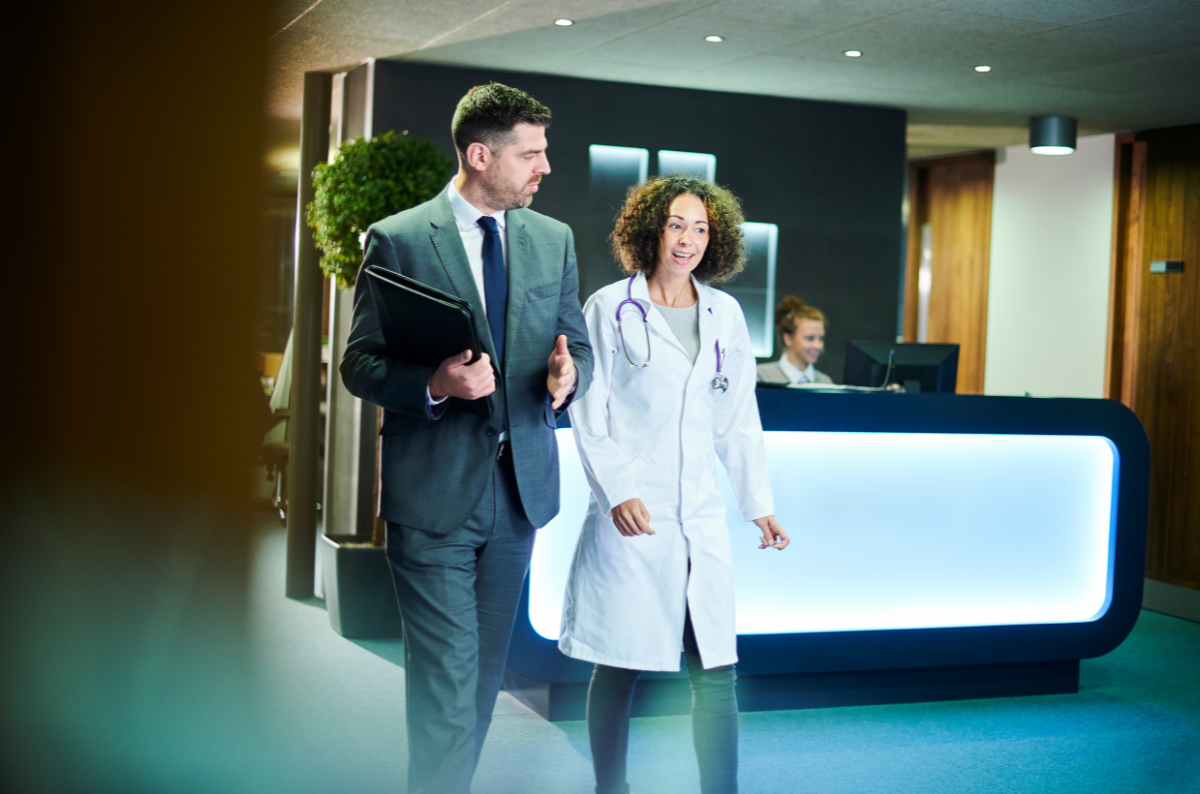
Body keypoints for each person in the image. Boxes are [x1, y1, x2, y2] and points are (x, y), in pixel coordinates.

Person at [339, 83, 594, 794]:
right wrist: (435, 385)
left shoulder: (553, 239)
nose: (546, 168)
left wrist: (570, 376)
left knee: (478, 684)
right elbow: (359, 363)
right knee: (448, 684)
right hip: (434, 502)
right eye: (533, 154)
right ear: (481, 155)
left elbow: (581, 348)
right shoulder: (398, 238)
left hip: (518, 502)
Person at [559, 175, 789, 794]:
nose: (687, 239)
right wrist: (618, 492)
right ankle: (612, 788)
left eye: (701, 228)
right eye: (676, 224)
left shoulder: (724, 314)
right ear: (650, 229)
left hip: (701, 517)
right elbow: (589, 410)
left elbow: (738, 419)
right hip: (637, 514)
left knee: (717, 669)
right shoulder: (610, 307)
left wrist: (758, 505)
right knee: (622, 664)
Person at [756, 295, 832, 385]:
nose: (817, 345)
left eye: (820, 339)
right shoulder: (762, 376)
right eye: (810, 338)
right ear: (788, 339)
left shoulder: (825, 382)